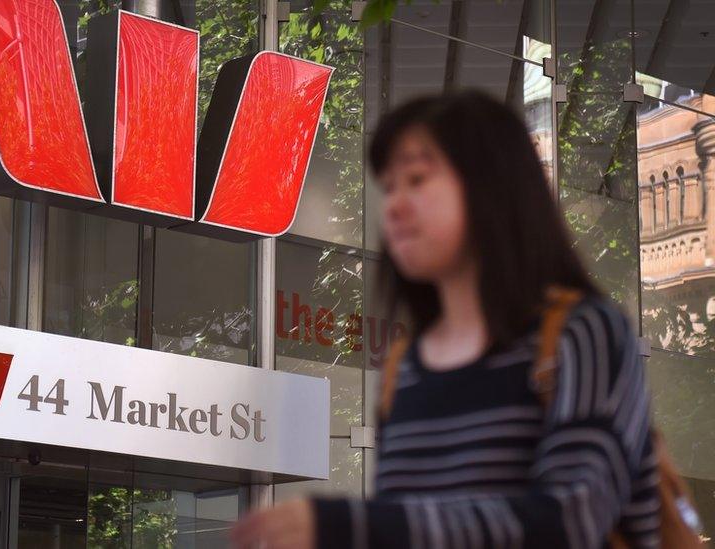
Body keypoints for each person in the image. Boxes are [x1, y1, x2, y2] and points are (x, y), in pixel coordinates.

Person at [230, 91, 660, 548]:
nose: (393, 205)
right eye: (389, 186)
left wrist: (348, 526)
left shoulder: (583, 332)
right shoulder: (406, 368)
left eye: (417, 179)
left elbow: (573, 519)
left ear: (490, 185)